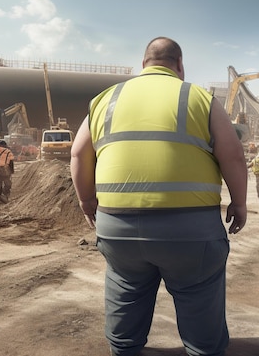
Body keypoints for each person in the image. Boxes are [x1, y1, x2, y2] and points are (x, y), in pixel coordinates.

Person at [70, 37, 248, 356]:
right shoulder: (199, 97)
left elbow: (79, 154)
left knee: (126, 291)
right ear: (180, 65)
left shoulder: (105, 99)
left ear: (143, 65)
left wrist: (87, 201)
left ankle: (124, 350)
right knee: (199, 298)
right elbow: (232, 155)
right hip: (191, 233)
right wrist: (239, 202)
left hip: (117, 229)